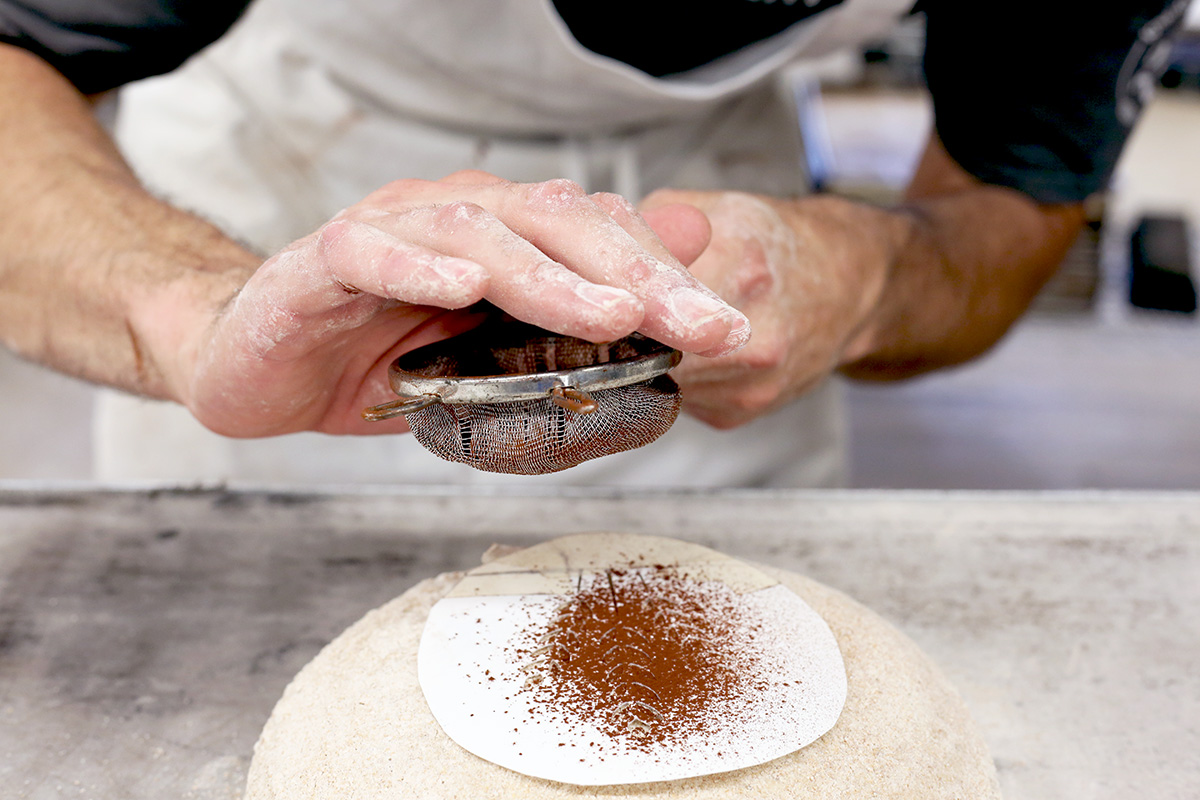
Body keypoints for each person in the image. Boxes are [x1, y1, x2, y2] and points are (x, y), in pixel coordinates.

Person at [0, 0, 1188, 487]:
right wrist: (200, 314)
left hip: (712, 189)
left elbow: (1013, 197)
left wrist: (867, 275)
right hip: (299, 152)